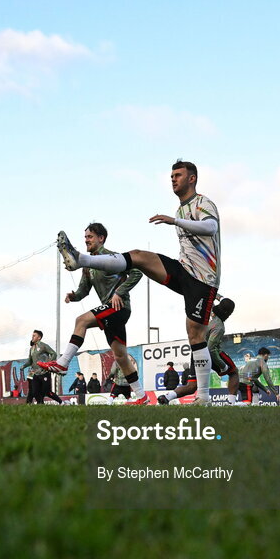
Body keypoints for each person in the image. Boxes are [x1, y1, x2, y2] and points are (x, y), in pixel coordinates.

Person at [57, 159, 222, 405]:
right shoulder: (179, 209)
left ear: (192, 178)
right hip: (183, 270)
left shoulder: (202, 203)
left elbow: (211, 227)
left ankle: (204, 398)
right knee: (139, 257)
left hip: (203, 278)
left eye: (178, 175)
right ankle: (80, 259)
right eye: (171, 176)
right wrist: (75, 294)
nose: (173, 179)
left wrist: (175, 221)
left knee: (195, 333)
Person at [38, 222, 147, 402]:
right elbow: (83, 291)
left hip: (119, 308)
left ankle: (63, 363)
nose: (86, 240)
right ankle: (142, 397)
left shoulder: (113, 257)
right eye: (85, 237)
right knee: (120, 356)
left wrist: (120, 292)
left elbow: (137, 272)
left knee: (81, 320)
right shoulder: (88, 266)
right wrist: (73, 296)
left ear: (101, 238)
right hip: (109, 312)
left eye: (90, 237)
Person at [159, 299, 239, 405]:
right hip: (208, 353)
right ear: (228, 313)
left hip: (196, 351)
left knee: (192, 386)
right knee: (233, 372)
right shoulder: (219, 327)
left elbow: (210, 298)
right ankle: (231, 403)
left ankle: (167, 397)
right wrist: (222, 365)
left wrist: (217, 296)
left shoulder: (210, 312)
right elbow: (210, 349)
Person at [21, 330, 62, 404]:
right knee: (35, 391)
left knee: (47, 392)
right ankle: (40, 404)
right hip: (35, 373)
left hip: (44, 372)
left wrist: (48, 364)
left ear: (39, 337)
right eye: (32, 335)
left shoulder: (43, 345)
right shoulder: (31, 348)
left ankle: (60, 402)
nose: (32, 337)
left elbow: (54, 354)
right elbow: (30, 361)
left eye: (34, 335)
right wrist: (24, 366)